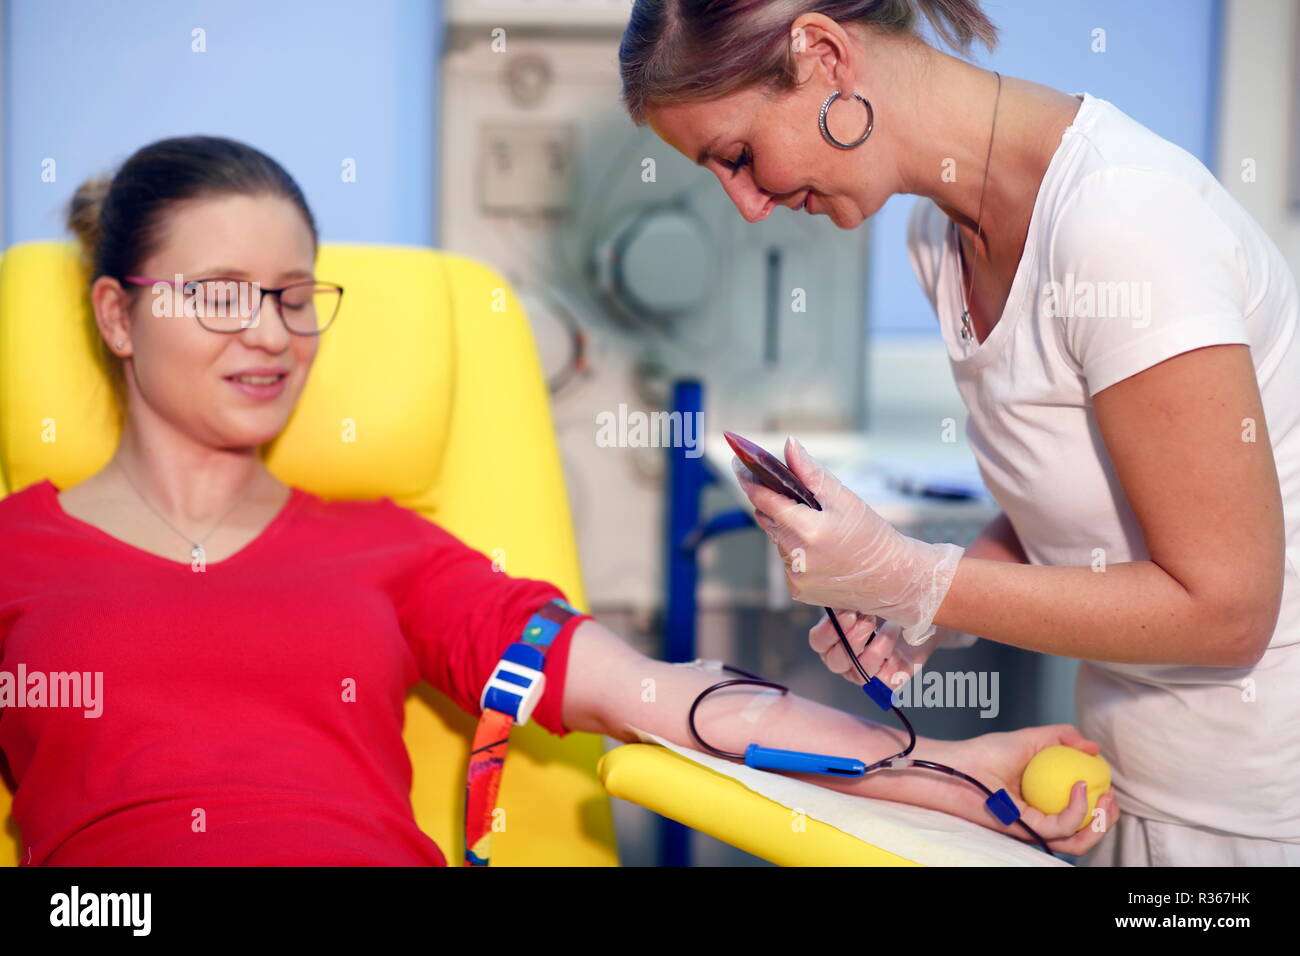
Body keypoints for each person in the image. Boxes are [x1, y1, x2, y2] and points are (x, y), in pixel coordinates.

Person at [0, 135, 1112, 866]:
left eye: (295, 297)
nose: (269, 332)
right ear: (115, 314)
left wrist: (946, 768)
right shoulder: (16, 553)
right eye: (220, 294)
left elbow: (662, 696)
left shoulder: (389, 552)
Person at [622, 0, 1300, 866]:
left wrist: (917, 578)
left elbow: (1229, 611)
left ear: (825, 54)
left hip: (1252, 808)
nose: (748, 206)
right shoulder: (940, 237)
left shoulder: (1124, 226)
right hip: (1121, 774)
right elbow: (1075, 504)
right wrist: (916, 613)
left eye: (741, 156)